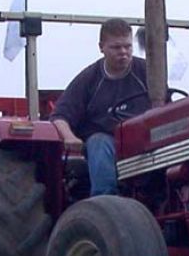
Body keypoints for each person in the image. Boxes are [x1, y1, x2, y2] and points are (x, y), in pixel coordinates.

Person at [51, 18, 150, 196]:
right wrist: (70, 138)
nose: (123, 52)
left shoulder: (147, 72)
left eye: (127, 46)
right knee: (98, 142)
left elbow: (166, 106)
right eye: (116, 47)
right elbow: (59, 116)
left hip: (144, 138)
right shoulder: (89, 79)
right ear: (101, 47)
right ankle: (105, 200)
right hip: (109, 141)